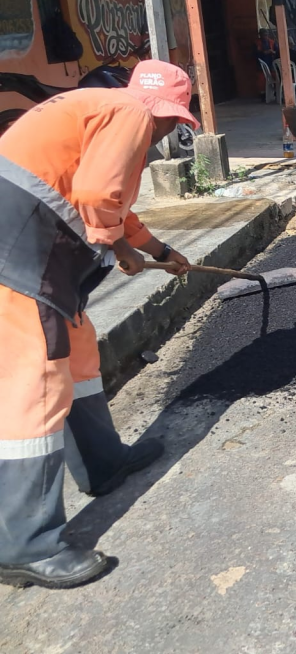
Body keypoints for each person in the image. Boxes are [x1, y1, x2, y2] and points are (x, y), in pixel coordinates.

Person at [0, 60, 196, 590]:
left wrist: (161, 250)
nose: (168, 132)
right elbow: (95, 198)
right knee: (36, 384)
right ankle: (25, 544)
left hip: (42, 252)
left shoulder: (105, 108)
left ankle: (103, 462)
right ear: (164, 112)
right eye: (173, 122)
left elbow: (116, 205)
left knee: (79, 354)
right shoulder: (131, 114)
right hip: (18, 253)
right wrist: (123, 248)